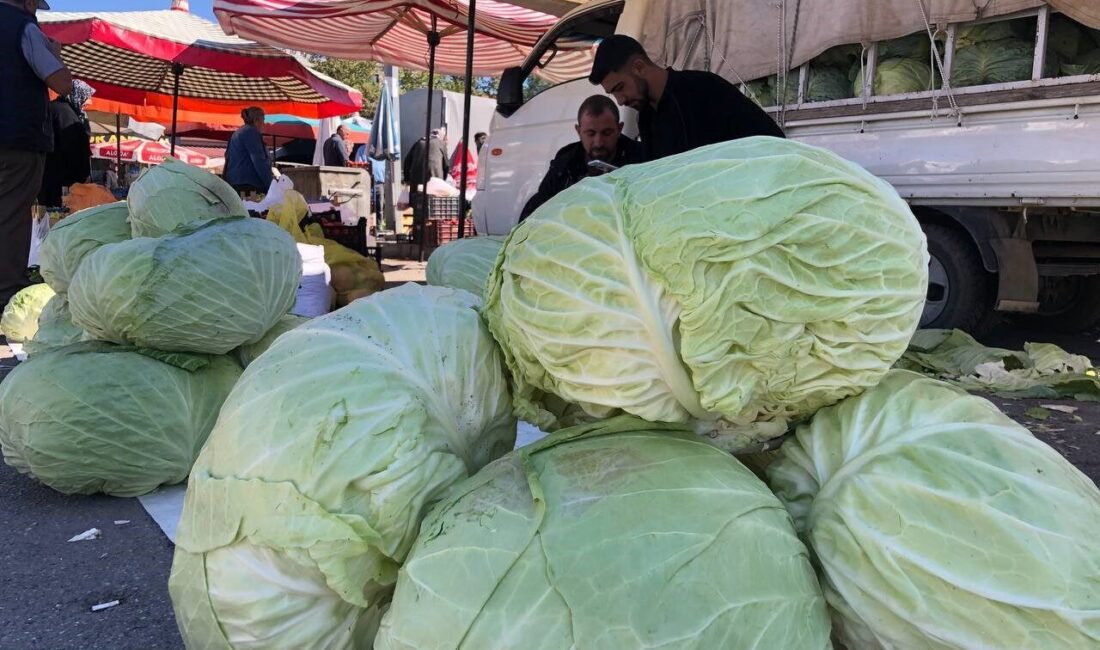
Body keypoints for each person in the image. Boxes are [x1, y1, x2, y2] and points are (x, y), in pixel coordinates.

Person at [589, 34, 784, 162]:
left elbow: (774, 143)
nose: (620, 100)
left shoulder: (704, 89)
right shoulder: (647, 117)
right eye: (613, 94)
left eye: (620, 88)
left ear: (639, 67)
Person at [1, 0, 73, 310]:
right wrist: (55, 55)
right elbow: (62, 82)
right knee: (11, 217)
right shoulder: (23, 25)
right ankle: (6, 295)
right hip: (17, 139)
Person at [520, 95, 644, 221]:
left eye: (607, 133)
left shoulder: (640, 158)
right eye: (590, 134)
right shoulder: (566, 162)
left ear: (619, 129)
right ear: (578, 131)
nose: (598, 143)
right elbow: (540, 204)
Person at [38, 78, 93, 208]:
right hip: (63, 185)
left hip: (46, 179)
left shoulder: (55, 109)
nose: (88, 103)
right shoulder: (66, 114)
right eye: (85, 99)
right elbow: (75, 150)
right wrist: (83, 176)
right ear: (77, 95)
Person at [402, 128, 449, 220]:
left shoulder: (418, 142)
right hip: (435, 181)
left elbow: (407, 162)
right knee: (434, 208)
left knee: (418, 206)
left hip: (417, 182)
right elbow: (446, 165)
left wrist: (407, 179)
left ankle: (418, 227)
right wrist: (444, 180)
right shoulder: (440, 144)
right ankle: (432, 227)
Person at [223, 106, 273, 193]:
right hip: (249, 185)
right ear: (257, 120)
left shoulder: (237, 133)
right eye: (263, 120)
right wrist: (270, 185)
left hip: (234, 183)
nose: (264, 124)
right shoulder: (251, 132)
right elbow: (258, 160)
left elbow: (227, 158)